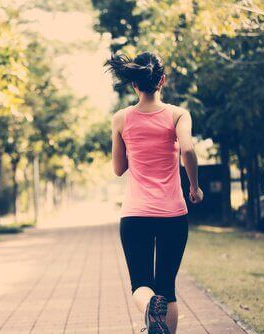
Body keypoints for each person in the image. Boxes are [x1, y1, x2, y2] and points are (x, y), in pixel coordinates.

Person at [106, 52, 203, 334]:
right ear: (162, 80)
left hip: (136, 215)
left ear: (135, 85)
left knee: (141, 286)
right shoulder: (178, 115)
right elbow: (187, 150)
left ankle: (150, 307)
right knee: (166, 289)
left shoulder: (121, 118)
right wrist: (194, 187)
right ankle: (156, 311)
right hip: (173, 214)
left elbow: (118, 168)